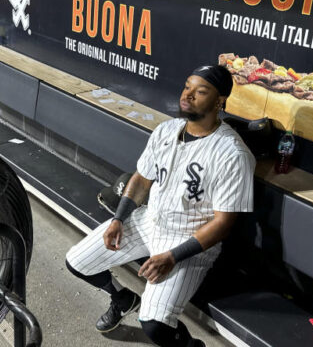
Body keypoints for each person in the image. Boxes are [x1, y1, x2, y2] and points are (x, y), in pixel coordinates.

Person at [65, 65, 256, 347]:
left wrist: (173, 256)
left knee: (154, 325)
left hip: (188, 240)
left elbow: (223, 223)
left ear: (219, 101)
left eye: (200, 91)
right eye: (187, 87)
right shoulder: (167, 129)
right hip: (148, 221)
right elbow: (141, 179)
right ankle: (122, 299)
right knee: (77, 262)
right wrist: (119, 219)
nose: (187, 95)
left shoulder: (233, 154)